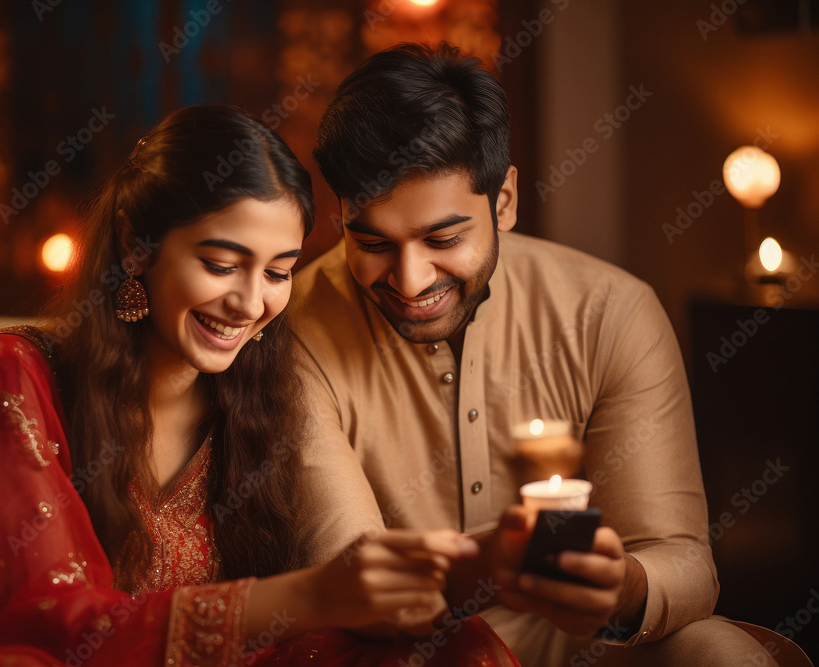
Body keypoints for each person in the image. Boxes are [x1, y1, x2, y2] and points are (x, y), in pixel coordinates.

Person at [0, 105, 520, 666]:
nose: (252, 302)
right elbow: (43, 623)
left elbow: (300, 622)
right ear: (137, 246)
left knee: (455, 646)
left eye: (279, 271)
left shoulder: (261, 399)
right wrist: (312, 595)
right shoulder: (14, 373)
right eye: (223, 263)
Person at [290, 42, 787, 666]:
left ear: (503, 203)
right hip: (402, 655)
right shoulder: (296, 332)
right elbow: (354, 588)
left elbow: (683, 565)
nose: (410, 280)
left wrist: (623, 584)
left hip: (588, 649)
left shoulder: (611, 313)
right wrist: (502, 561)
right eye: (372, 243)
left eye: (443, 238)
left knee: (717, 650)